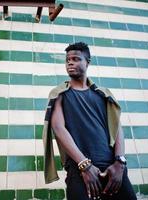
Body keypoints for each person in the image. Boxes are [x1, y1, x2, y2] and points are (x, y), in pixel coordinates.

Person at [43, 42, 137, 200]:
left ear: (88, 62)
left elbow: (117, 128)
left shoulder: (103, 94)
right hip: (79, 170)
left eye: (76, 59)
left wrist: (120, 162)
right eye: (67, 60)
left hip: (112, 167)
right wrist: (84, 165)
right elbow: (58, 128)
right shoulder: (59, 93)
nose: (70, 62)